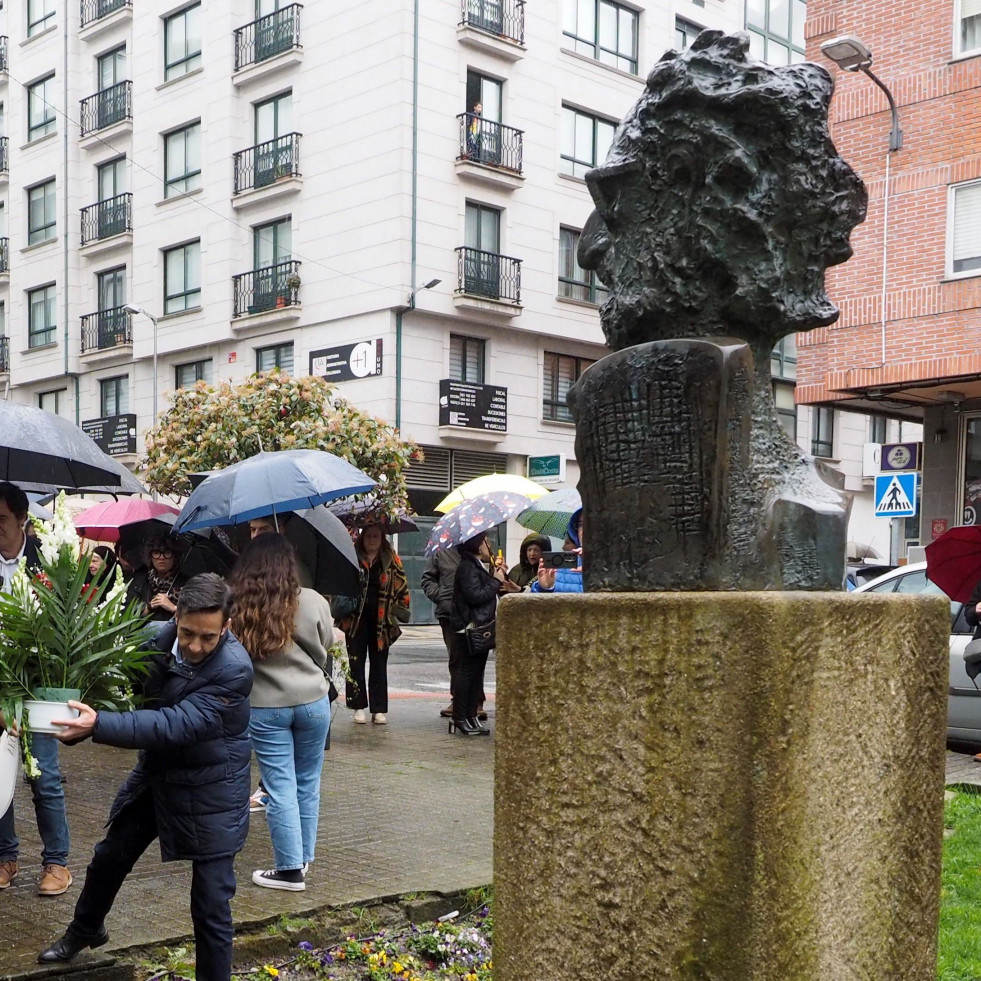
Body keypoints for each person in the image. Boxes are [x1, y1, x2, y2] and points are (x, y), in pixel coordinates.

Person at [37, 574, 253, 979]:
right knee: (108, 858)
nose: (194, 646)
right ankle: (84, 930)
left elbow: (173, 725)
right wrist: (67, 709)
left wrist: (98, 726)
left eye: (208, 638)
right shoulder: (154, 639)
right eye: (188, 633)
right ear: (177, 615)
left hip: (212, 791)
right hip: (158, 777)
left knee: (211, 904)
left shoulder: (235, 670)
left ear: (226, 626)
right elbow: (121, 689)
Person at [228, 535, 332, 892]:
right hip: (314, 703)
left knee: (279, 785)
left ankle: (289, 870)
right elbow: (327, 644)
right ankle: (303, 859)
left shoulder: (241, 606)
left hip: (265, 706)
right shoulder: (314, 600)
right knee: (308, 782)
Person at [0, 480, 74, 897]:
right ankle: (5, 857)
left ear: (24, 521)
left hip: (40, 685)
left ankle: (58, 862)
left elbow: (67, 623)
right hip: (0, 683)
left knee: (42, 774)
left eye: (2, 520)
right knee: (0, 772)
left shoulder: (50, 561)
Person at [335, 525, 411, 725]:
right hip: (356, 621)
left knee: (379, 665)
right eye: (368, 536)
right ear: (362, 538)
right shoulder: (351, 557)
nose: (372, 540)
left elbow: (402, 586)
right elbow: (340, 583)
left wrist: (399, 613)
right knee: (355, 664)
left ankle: (379, 710)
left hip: (382, 622)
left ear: (382, 538)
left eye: (376, 536)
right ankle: (358, 707)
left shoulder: (391, 559)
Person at [449, 533, 520, 736]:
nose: (488, 545)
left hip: (480, 627)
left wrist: (496, 576)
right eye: (485, 541)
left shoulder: (476, 565)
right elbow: (475, 595)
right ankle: (460, 717)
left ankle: (471, 715)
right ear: (476, 545)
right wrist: (495, 581)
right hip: (469, 628)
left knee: (475, 674)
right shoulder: (467, 567)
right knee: (466, 674)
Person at [421, 546, 462, 719]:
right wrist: (442, 596)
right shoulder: (440, 550)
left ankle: (477, 701)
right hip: (449, 613)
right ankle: (458, 700)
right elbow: (427, 580)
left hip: (476, 611)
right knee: (456, 658)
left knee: (476, 658)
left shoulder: (480, 547)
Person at [126, 537, 187, 621]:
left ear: (175, 557)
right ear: (150, 556)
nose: (161, 558)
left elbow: (193, 618)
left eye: (167, 553)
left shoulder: (186, 583)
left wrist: (174, 608)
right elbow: (127, 613)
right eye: (156, 553)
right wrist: (148, 607)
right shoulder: (140, 579)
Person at [532, 509, 584, 594]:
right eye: (581, 525)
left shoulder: (613, 566)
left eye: (593, 523)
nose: (585, 530)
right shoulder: (560, 567)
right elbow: (533, 605)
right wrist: (545, 588)